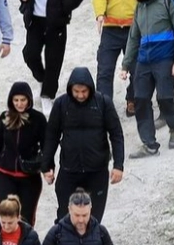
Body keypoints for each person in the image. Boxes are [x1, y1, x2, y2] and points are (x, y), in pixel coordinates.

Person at [38, 68, 125, 223]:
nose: (80, 95)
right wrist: (46, 165)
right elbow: (51, 136)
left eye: (84, 91)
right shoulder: (61, 104)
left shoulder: (103, 103)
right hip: (69, 169)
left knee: (94, 219)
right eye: (76, 91)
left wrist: (119, 165)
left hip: (97, 170)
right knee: (64, 217)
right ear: (70, 88)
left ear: (90, 88)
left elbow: (116, 134)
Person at [17, 0, 85, 111]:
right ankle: (43, 79)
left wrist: (63, 7)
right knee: (30, 54)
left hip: (57, 22)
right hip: (35, 20)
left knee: (54, 59)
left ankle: (48, 94)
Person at [120, 0, 174, 154]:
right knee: (140, 100)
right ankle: (149, 144)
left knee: (164, 99)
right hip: (143, 60)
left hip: (164, 58)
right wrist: (126, 65)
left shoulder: (169, 0)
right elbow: (134, 36)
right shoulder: (139, 7)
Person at [0, 82, 47, 225]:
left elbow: (46, 147)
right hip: (4, 174)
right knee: (5, 216)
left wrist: (47, 168)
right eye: (16, 100)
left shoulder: (38, 119)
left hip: (29, 176)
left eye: (23, 100)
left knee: (25, 219)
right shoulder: (4, 118)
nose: (19, 104)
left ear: (29, 100)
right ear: (11, 101)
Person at [91, 0, 138, 108]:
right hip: (111, 30)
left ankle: (133, 99)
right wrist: (99, 14)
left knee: (137, 68)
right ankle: (104, 105)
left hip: (134, 30)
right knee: (105, 69)